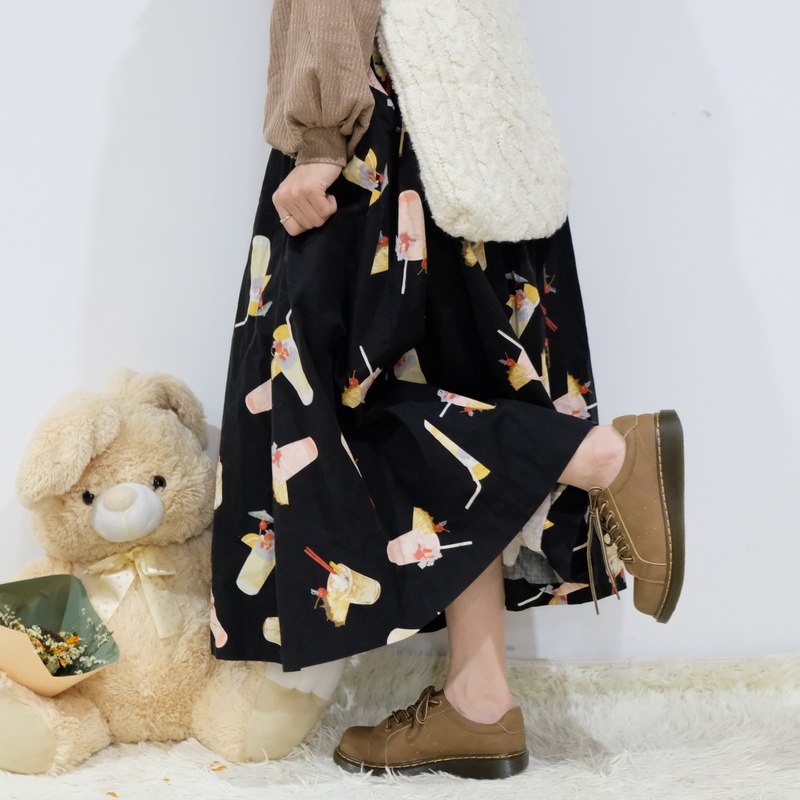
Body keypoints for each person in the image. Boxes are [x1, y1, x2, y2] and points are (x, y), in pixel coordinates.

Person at [210, 0, 685, 780]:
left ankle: (601, 459)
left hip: (378, 135)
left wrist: (322, 138)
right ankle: (479, 698)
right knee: (455, 387)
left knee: (326, 411)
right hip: (472, 131)